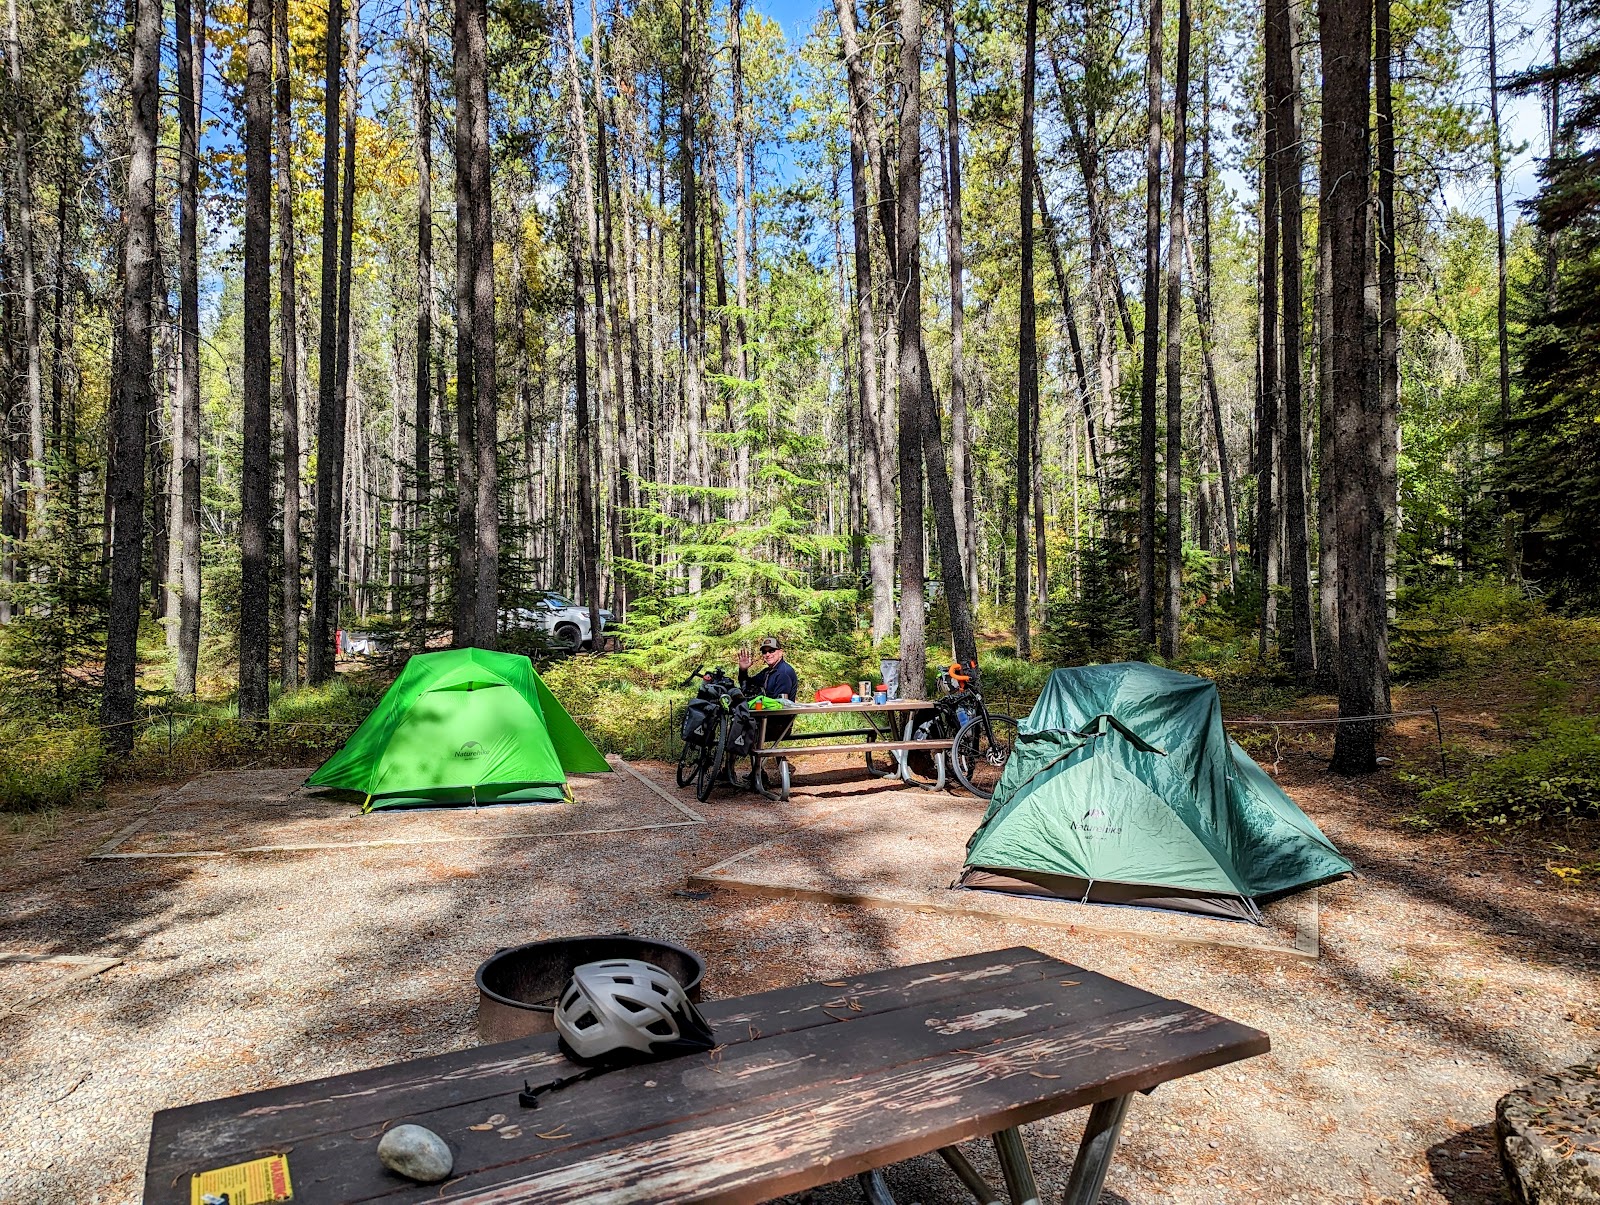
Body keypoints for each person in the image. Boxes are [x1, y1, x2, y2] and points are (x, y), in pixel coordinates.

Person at [737, 636, 797, 701]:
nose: (767, 654)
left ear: (780, 653)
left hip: (780, 710)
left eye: (772, 651)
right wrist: (743, 670)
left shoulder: (783, 673)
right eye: (764, 652)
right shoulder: (767, 672)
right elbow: (747, 687)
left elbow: (781, 704)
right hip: (770, 709)